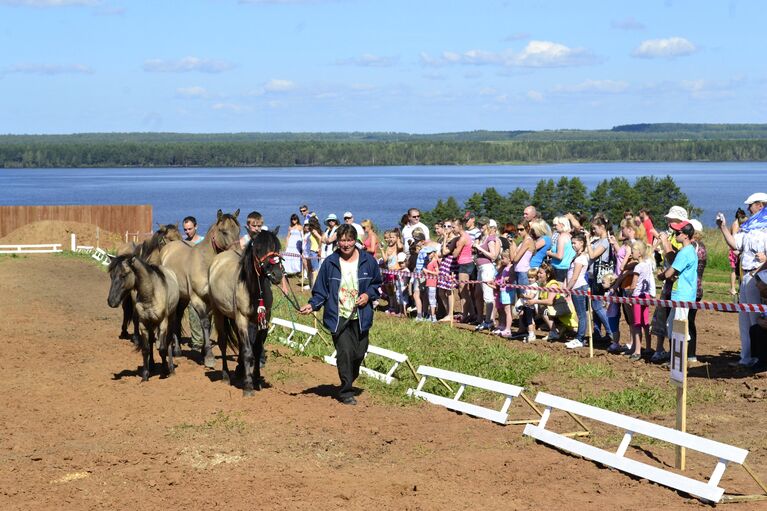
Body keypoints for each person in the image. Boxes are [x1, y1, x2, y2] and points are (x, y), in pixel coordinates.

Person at [299, 224, 383, 405]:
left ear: (355, 241)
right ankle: (346, 391)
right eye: (342, 240)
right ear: (337, 241)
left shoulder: (368, 261)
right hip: (338, 316)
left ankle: (349, 378)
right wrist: (312, 306)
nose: (345, 244)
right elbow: (321, 291)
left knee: (359, 353)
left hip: (361, 316)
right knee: (345, 352)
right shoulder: (329, 262)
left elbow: (376, 284)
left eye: (349, 240)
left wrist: (368, 295)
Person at [717, 192, 767, 367]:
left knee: (755, 318)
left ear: (760, 205)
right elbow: (735, 244)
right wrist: (722, 227)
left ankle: (758, 357)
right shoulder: (749, 226)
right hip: (747, 275)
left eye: (751, 205)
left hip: (758, 276)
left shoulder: (765, 228)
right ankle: (746, 356)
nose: (748, 208)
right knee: (744, 318)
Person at [657, 221, 698, 360]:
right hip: (679, 294)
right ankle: (677, 358)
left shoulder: (685, 252)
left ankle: (679, 360)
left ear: (686, 235)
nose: (675, 235)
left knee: (679, 328)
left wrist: (661, 275)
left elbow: (669, 273)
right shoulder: (686, 250)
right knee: (672, 325)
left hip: (683, 295)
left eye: (678, 233)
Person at [626, 240, 656, 361]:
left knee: (637, 323)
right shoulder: (648, 264)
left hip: (637, 296)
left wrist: (629, 294)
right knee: (645, 322)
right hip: (646, 295)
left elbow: (634, 284)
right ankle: (648, 347)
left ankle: (637, 350)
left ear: (639, 252)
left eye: (633, 251)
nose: (631, 253)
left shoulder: (638, 267)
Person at [473, 218, 500, 331]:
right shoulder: (481, 237)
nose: (480, 226)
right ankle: (486, 319)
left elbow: (493, 256)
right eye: (479, 224)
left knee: (488, 295)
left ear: (488, 225)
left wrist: (479, 248)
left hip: (487, 268)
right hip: (480, 267)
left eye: (483, 224)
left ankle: (489, 321)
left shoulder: (490, 239)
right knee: (479, 294)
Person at [565, 232, 590, 349]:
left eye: (575, 243)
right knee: (582, 314)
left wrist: (567, 288)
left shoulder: (580, 258)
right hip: (578, 287)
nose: (573, 245)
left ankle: (579, 338)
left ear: (581, 243)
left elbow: (575, 277)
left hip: (578, 287)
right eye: (572, 243)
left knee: (581, 315)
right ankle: (580, 337)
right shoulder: (578, 257)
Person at [687, 219, 707, 363]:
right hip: (698, 288)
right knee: (690, 321)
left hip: (690, 289)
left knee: (685, 322)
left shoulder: (693, 247)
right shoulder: (702, 246)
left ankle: (687, 353)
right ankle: (691, 354)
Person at [546, 215, 575, 283]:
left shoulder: (561, 237)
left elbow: (559, 256)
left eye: (556, 225)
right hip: (567, 268)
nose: (554, 227)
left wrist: (549, 253)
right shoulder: (570, 236)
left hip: (559, 268)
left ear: (562, 225)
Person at [729, 208, 748, 296]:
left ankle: (740, 287)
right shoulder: (736, 224)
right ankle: (733, 288)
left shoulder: (738, 223)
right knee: (734, 269)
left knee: (738, 269)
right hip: (735, 249)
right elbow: (734, 237)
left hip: (737, 248)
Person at [423, 247, 440, 322]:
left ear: (433, 253)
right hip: (429, 282)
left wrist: (427, 271)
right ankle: (431, 315)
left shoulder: (434, 262)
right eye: (427, 253)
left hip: (432, 282)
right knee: (430, 299)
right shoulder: (429, 262)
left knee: (432, 299)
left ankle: (433, 316)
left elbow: (437, 273)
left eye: (429, 253)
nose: (428, 255)